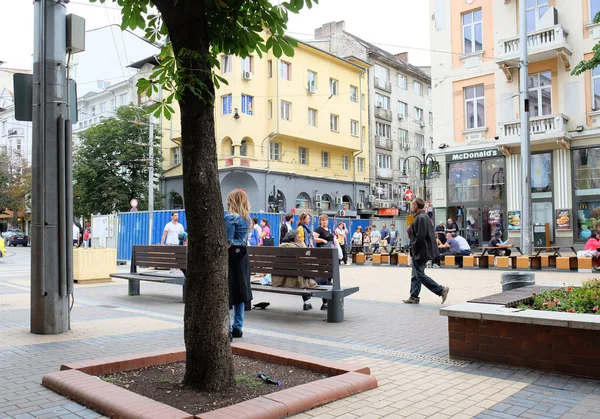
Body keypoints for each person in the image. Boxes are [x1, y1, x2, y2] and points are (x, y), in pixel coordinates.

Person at [403, 198, 450, 305]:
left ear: (416, 206)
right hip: (420, 250)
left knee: (419, 274)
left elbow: (421, 236)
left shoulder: (422, 217)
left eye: (412, 205)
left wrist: (414, 248)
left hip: (421, 251)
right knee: (416, 274)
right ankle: (414, 296)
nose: (411, 207)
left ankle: (441, 290)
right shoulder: (421, 217)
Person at [225, 189, 252, 340]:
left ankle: (228, 328)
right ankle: (238, 328)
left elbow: (227, 242)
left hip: (231, 258)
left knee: (228, 292)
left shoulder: (230, 218)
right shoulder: (246, 218)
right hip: (243, 258)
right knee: (240, 293)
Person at [273, 230, 319, 310]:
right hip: (296, 282)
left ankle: (307, 302)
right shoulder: (299, 249)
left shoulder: (280, 248)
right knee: (324, 280)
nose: (301, 239)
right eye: (300, 237)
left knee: (303, 276)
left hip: (280, 281)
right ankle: (325, 304)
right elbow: (309, 269)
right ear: (295, 239)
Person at [313, 214, 335, 310]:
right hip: (322, 255)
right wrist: (323, 240)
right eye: (323, 220)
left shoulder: (329, 229)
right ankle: (325, 301)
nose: (325, 222)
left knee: (330, 274)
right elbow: (314, 238)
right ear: (320, 221)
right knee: (323, 275)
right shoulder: (318, 229)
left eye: (326, 220)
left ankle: (326, 298)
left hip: (329, 254)